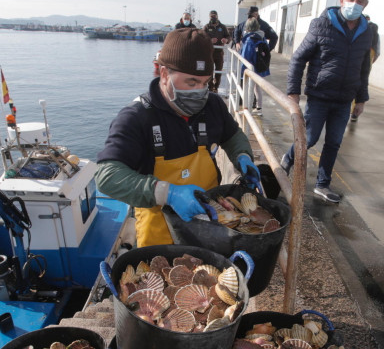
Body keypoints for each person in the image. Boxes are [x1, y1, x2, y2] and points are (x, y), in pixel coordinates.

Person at [94, 28, 260, 247]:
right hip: (160, 234)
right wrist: (168, 193)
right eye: (191, 83)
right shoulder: (136, 117)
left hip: (212, 223)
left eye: (205, 83)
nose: (200, 92)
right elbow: (107, 176)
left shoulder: (213, 105)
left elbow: (232, 135)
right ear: (164, 74)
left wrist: (242, 155)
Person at [280, 0, 373, 203]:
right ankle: (288, 158)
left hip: (344, 100)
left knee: (333, 143)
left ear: (366, 4)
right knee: (309, 139)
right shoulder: (322, 24)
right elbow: (298, 59)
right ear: (342, 0)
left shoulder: (366, 31)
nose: (355, 4)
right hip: (319, 96)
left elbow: (364, 67)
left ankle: (322, 184)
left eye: (360, 0)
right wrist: (293, 92)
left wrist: (361, 99)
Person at [350, 14, 379, 123]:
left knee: (359, 80)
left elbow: (364, 75)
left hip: (366, 57)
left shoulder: (368, 30)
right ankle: (353, 110)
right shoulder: (362, 29)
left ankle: (353, 110)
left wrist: (361, 100)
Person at [239, 17, 270, 116]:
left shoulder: (249, 39)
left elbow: (245, 56)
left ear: (247, 27)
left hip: (251, 67)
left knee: (249, 88)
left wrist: (242, 71)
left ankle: (248, 109)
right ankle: (259, 108)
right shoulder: (262, 36)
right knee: (257, 88)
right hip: (261, 66)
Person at [203, 10, 230, 93]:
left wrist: (226, 40)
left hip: (219, 52)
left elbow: (228, 36)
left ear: (217, 16)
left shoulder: (222, 27)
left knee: (219, 70)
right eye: (211, 16)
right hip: (209, 52)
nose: (213, 17)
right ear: (209, 17)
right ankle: (210, 87)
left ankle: (216, 87)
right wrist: (209, 40)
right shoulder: (206, 27)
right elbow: (202, 38)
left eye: (214, 16)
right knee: (209, 70)